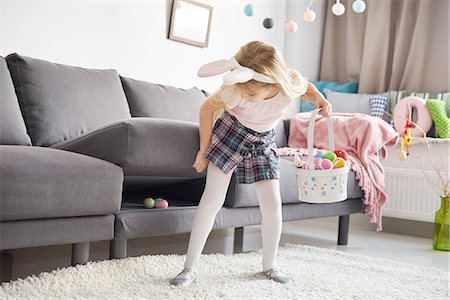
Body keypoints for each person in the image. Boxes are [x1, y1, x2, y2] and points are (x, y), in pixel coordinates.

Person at [170, 41, 331, 286]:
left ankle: (270, 265)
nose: (246, 95)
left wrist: (320, 100)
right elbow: (205, 110)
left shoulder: (288, 86)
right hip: (229, 135)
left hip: (263, 141)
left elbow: (306, 88)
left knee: (272, 204)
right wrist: (203, 150)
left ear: (274, 83)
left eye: (251, 93)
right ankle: (189, 267)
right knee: (212, 199)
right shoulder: (234, 89)